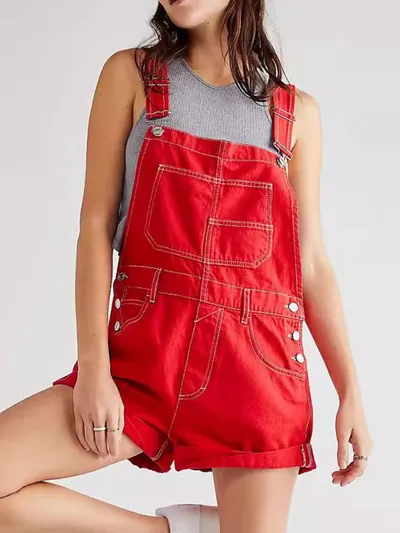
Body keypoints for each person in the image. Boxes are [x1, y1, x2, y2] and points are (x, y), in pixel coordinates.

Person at [0, 1, 373, 532]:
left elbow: (309, 263)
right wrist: (94, 371)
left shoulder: (297, 114)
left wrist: (350, 391)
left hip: (257, 373)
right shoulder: (130, 76)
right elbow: (94, 228)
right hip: (145, 358)